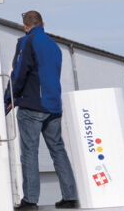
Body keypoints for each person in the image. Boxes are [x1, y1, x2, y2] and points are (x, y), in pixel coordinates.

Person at [5, 11, 78, 210]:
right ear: (43, 24)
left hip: (33, 106)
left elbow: (19, 73)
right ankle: (70, 197)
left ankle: (30, 200)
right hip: (54, 105)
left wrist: (8, 97)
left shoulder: (27, 42)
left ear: (25, 26)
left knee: (29, 152)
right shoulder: (54, 46)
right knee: (58, 149)